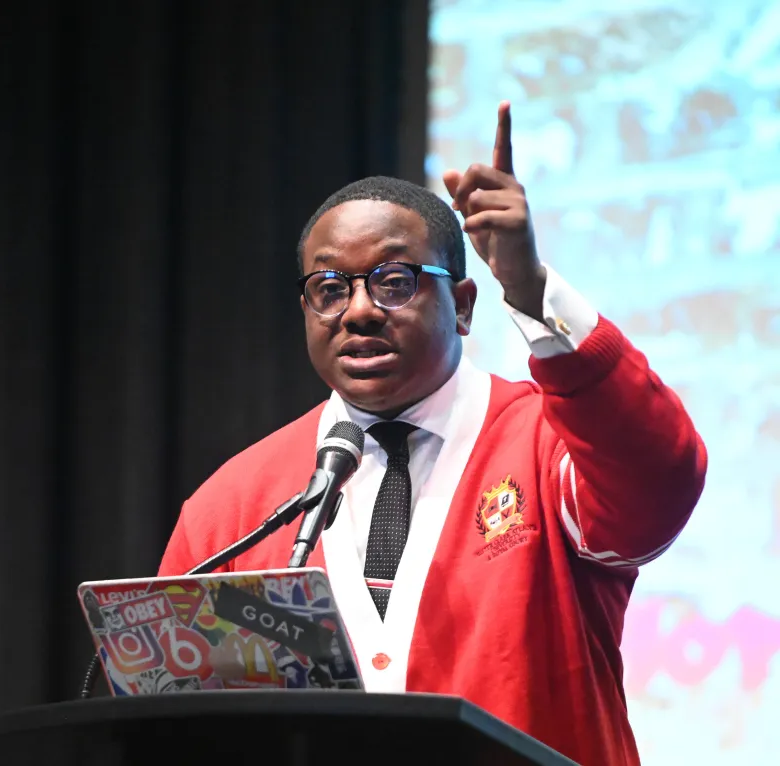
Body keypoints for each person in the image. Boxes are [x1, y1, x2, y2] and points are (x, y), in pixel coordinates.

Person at [159, 102, 707, 765]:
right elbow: (174, 724)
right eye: (330, 288)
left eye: (394, 282)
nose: (359, 311)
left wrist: (530, 287)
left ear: (464, 306)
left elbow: (658, 481)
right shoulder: (232, 506)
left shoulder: (548, 443)